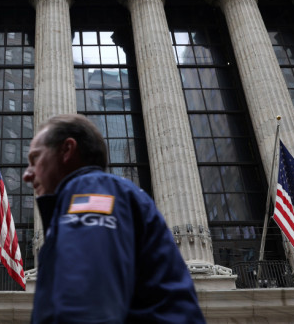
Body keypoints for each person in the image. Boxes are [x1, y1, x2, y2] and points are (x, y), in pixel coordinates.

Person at [23, 114, 205, 323]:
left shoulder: (90, 192)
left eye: (35, 159)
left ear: (67, 150)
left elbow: (87, 304)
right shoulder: (103, 194)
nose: (27, 174)